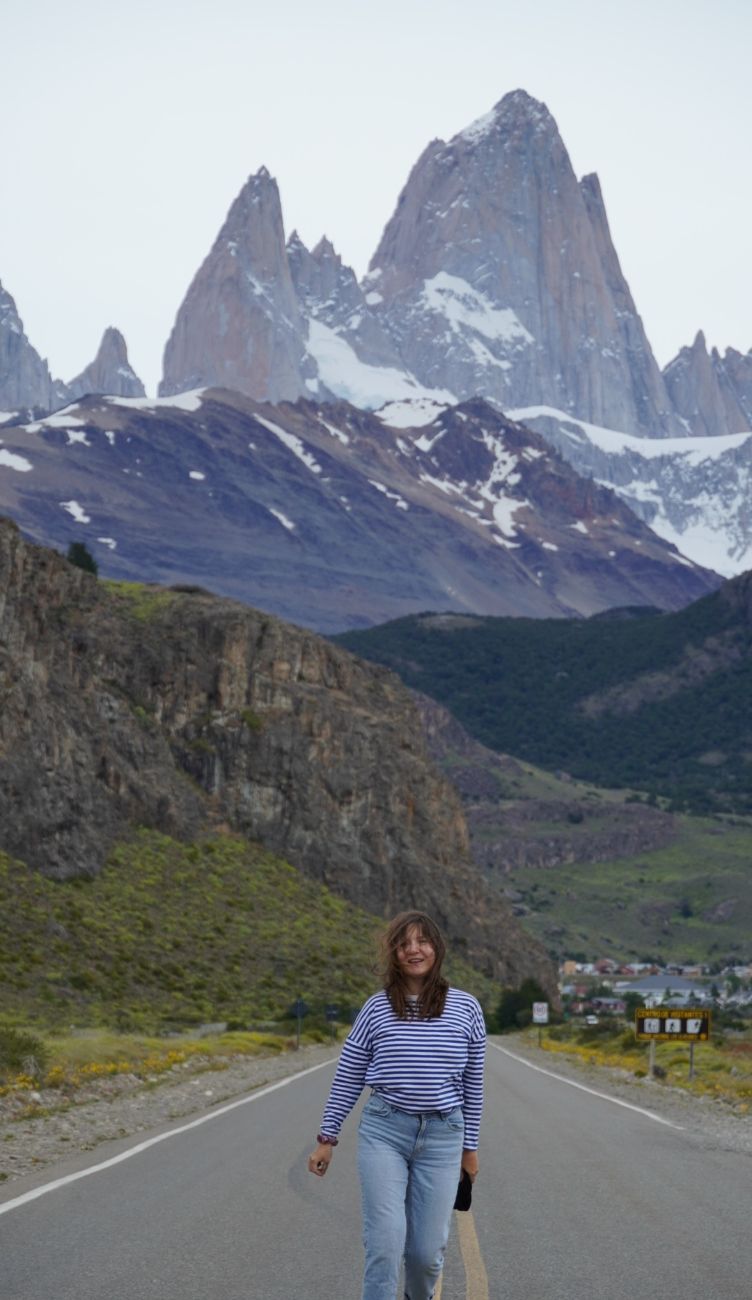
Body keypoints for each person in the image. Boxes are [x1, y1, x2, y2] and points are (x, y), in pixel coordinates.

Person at [308, 909, 486, 1300]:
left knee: (426, 1255)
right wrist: (327, 1137)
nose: (414, 950)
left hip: (443, 1137)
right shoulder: (376, 1008)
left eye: (423, 941)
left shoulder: (467, 1008)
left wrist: (469, 1149)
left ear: (437, 948)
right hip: (384, 1132)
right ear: (393, 953)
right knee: (385, 1244)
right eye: (404, 944)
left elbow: (473, 1086)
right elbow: (349, 1075)